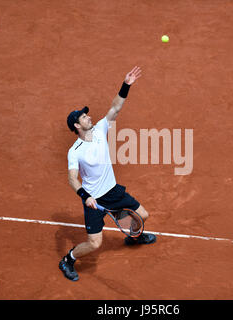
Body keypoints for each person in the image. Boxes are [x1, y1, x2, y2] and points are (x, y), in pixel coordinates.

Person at [59, 66, 157, 281]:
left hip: (113, 192)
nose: (89, 116)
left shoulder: (101, 128)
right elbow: (72, 178)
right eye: (84, 117)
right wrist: (86, 197)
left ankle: (133, 238)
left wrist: (126, 85)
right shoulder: (74, 152)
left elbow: (115, 107)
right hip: (93, 200)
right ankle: (69, 259)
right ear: (77, 125)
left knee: (143, 216)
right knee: (95, 243)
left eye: (87, 114)